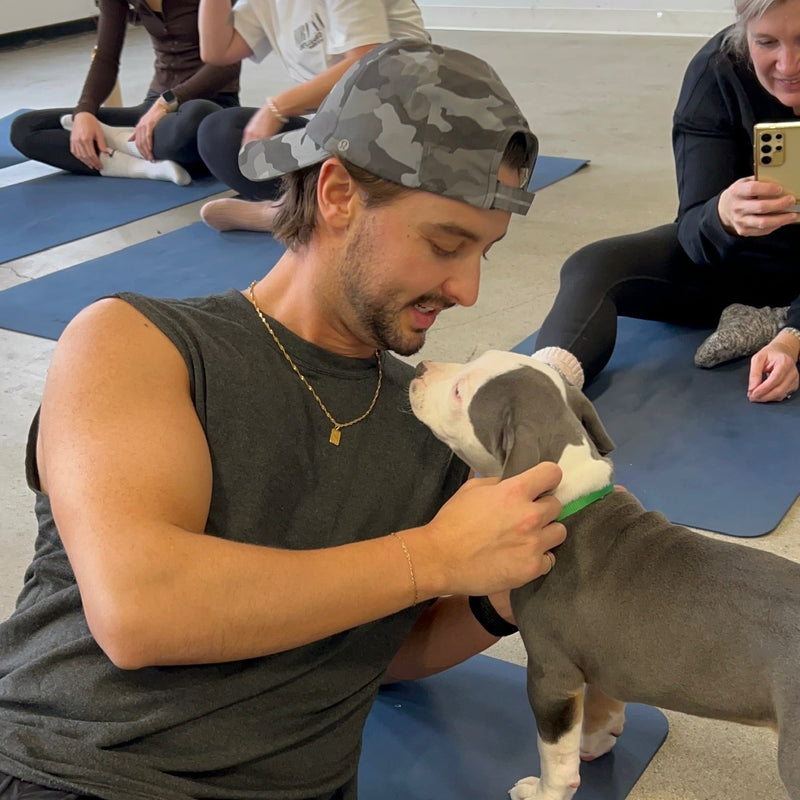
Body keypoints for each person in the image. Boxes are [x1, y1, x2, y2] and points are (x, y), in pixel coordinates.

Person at [0, 40, 565, 800]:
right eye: (445, 244)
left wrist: (497, 596)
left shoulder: (431, 425)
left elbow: (380, 644)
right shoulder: (135, 342)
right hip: (72, 772)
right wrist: (433, 556)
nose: (466, 288)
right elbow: (141, 610)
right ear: (336, 194)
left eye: (484, 256)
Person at [534, 0, 800, 403]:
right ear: (743, 33)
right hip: (738, 266)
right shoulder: (716, 72)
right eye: (766, 42)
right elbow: (692, 230)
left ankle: (780, 320)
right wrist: (722, 216)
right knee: (594, 265)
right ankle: (540, 393)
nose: (787, 65)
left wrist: (792, 340)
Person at [196, 0, 430, 231]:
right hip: (334, 128)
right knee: (220, 133)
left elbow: (368, 65)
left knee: (359, 133)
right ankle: (316, 205)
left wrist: (277, 107)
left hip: (406, 118)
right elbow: (217, 50)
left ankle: (292, 210)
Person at [10, 0, 241, 185]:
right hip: (152, 111)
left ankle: (128, 148)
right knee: (26, 129)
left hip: (208, 104)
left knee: (194, 122)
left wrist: (166, 103)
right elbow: (106, 59)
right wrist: (85, 113)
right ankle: (142, 166)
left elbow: (228, 63)